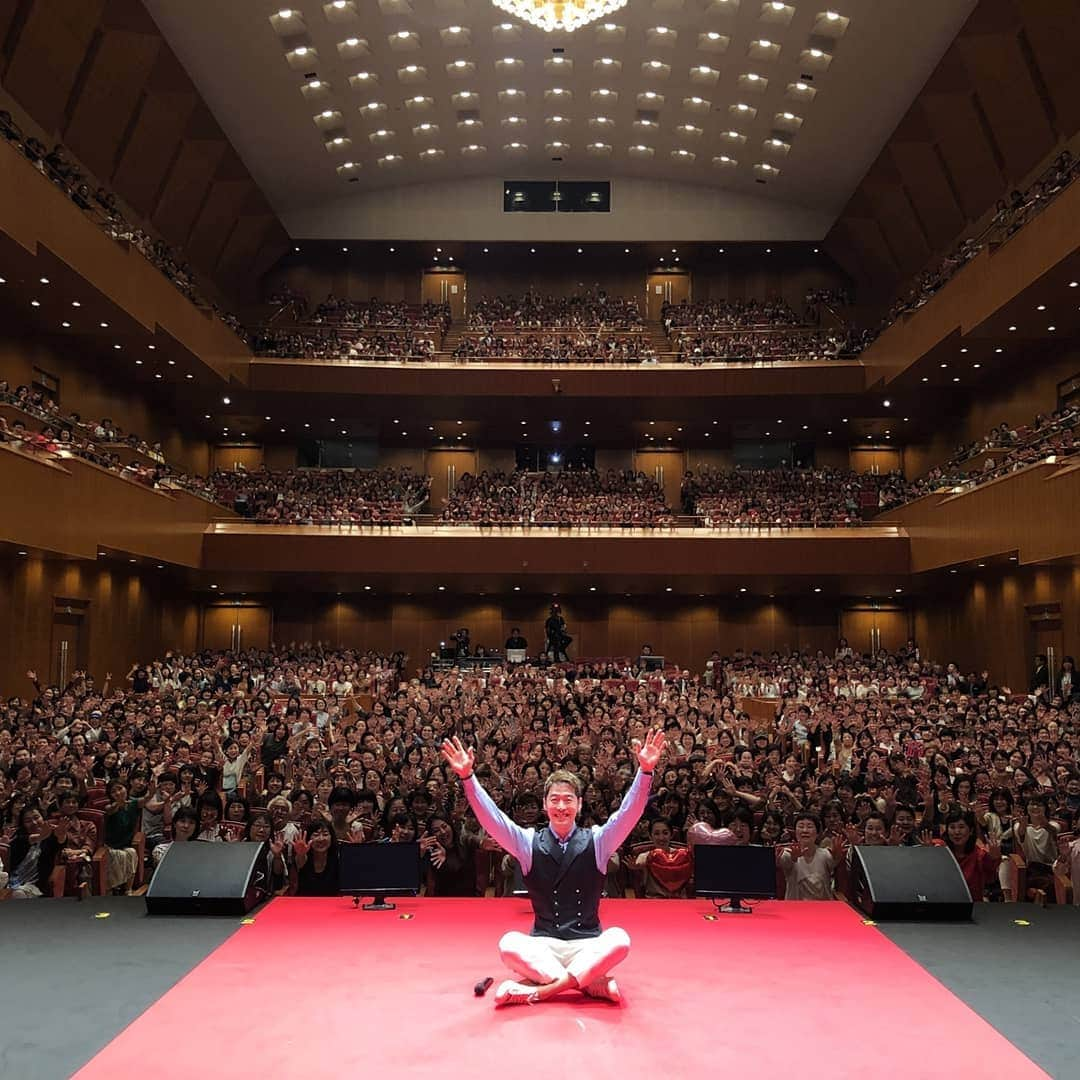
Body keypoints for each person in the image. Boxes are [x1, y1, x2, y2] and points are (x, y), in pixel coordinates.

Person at [441, 728, 664, 1007]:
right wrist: (467, 778)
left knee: (620, 939)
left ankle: (542, 989)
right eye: (554, 800)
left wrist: (644, 773)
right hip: (544, 944)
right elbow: (493, 819)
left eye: (568, 800)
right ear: (545, 805)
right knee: (508, 944)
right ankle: (589, 983)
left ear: (579, 805)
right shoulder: (527, 842)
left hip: (588, 944)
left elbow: (629, 813)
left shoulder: (598, 840)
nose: (561, 806)